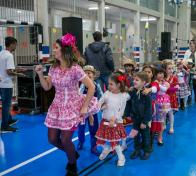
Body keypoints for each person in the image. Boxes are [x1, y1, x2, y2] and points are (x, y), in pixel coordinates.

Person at [35, 33, 99, 176]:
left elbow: (92, 87)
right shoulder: (53, 68)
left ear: (64, 50)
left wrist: (84, 107)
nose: (54, 50)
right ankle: (72, 154)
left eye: (56, 48)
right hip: (57, 106)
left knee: (65, 139)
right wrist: (40, 74)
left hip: (72, 106)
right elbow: (47, 87)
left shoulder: (75, 68)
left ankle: (72, 165)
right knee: (52, 139)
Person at [95, 73, 129, 166]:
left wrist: (114, 118)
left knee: (115, 142)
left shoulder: (123, 95)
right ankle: (106, 148)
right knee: (100, 140)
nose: (108, 86)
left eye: (111, 84)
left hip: (115, 122)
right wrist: (101, 107)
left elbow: (121, 111)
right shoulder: (107, 93)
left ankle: (121, 157)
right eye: (108, 83)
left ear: (118, 85)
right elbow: (99, 103)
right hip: (105, 121)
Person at [124, 72, 153, 160]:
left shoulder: (146, 94)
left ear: (143, 82)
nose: (134, 81)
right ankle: (137, 149)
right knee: (135, 135)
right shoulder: (132, 92)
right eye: (134, 80)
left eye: (137, 80)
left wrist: (145, 122)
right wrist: (127, 114)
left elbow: (149, 109)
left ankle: (147, 150)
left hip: (143, 119)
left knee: (145, 136)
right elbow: (128, 103)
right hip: (135, 119)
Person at [0, 37, 25, 133]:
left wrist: (18, 69)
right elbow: (9, 71)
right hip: (6, 84)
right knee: (6, 105)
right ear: (11, 44)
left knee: (6, 103)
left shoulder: (1, 53)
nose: (16, 46)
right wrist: (19, 74)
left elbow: (6, 68)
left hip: (1, 83)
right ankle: (4, 126)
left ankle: (9, 120)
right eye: (15, 44)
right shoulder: (9, 55)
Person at [77, 65, 103, 156]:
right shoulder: (83, 85)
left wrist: (100, 104)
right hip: (83, 111)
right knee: (81, 128)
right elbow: (79, 95)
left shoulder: (97, 85)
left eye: (89, 73)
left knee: (94, 129)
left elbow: (101, 96)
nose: (87, 74)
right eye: (85, 73)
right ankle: (81, 141)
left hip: (93, 111)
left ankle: (94, 146)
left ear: (93, 75)